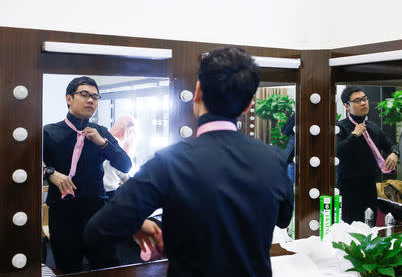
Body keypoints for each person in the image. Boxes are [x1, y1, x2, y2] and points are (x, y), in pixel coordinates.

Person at [84, 47, 294, 277]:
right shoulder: (275, 159)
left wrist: (135, 223)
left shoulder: (170, 162)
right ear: (249, 105)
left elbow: (98, 230)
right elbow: (284, 220)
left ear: (197, 92)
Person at [43, 76, 132, 273]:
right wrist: (50, 173)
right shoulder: (49, 132)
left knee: (107, 267)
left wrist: (102, 143)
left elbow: (126, 165)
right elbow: (27, 169)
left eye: (95, 97)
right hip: (63, 213)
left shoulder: (101, 132)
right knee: (69, 268)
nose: (91, 100)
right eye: (84, 95)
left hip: (97, 212)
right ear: (69, 98)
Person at [336, 86, 400, 224]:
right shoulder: (340, 127)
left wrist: (395, 153)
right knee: (349, 227)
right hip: (348, 186)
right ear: (347, 106)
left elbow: (390, 145)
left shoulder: (373, 127)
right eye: (357, 100)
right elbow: (336, 152)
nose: (364, 103)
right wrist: (354, 135)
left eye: (364, 99)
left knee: (369, 223)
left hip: (370, 184)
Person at [103, 115, 136, 200]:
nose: (130, 134)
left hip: (105, 186)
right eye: (129, 130)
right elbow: (119, 169)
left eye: (132, 131)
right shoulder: (117, 143)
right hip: (109, 189)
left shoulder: (109, 140)